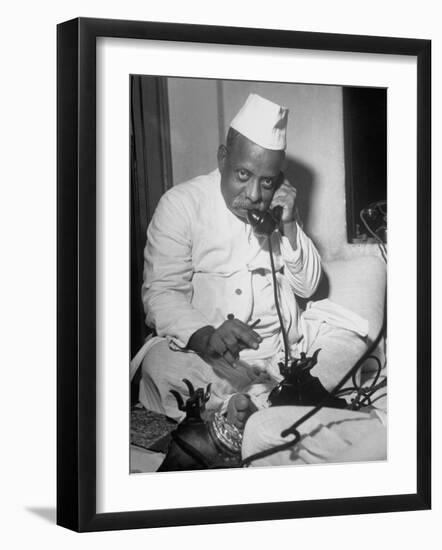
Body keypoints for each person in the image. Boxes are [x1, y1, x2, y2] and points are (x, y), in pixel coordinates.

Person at [131, 93, 386, 465]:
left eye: (267, 183)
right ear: (222, 159)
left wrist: (289, 223)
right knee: (160, 364)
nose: (252, 194)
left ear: (279, 181)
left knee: (349, 340)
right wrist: (207, 336)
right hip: (211, 358)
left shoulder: (276, 212)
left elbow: (309, 286)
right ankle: (259, 408)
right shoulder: (180, 204)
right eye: (242, 175)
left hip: (286, 357)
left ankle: (248, 411)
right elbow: (161, 293)